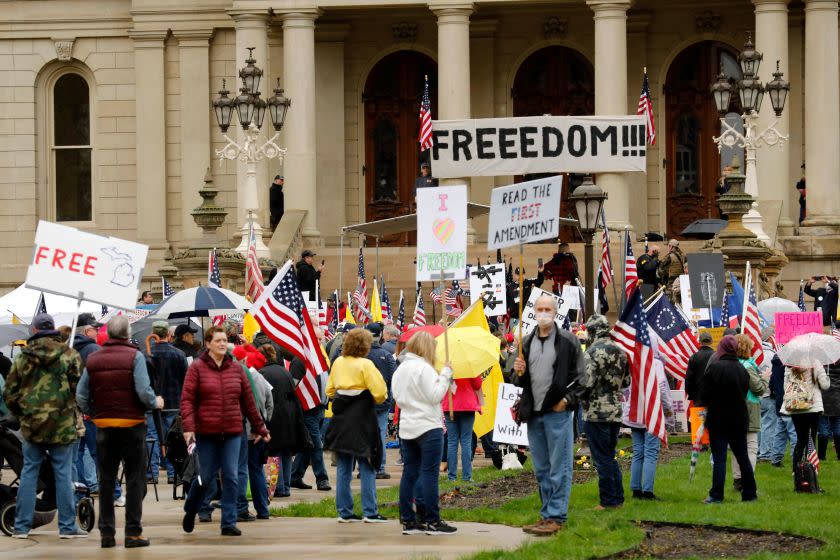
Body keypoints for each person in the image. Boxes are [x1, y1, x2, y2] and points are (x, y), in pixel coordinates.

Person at [76, 315, 163, 549]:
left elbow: (81, 396)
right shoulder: (134, 357)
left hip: (104, 427)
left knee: (106, 481)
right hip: (132, 426)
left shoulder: (93, 359)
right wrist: (156, 402)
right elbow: (144, 392)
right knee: (135, 480)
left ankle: (107, 534)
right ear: (127, 334)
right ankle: (133, 533)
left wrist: (94, 413)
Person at [2, 313, 88, 539]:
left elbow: (10, 394)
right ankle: (67, 526)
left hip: (32, 425)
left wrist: (22, 413)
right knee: (62, 474)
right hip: (62, 423)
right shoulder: (69, 354)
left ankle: (21, 526)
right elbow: (78, 389)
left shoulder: (23, 358)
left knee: (29, 473)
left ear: (34, 330)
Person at [181, 326, 270, 537]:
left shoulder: (237, 369)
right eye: (218, 340)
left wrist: (260, 428)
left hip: (233, 431)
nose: (222, 343)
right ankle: (191, 508)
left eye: (224, 340)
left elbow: (249, 402)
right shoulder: (197, 368)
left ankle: (228, 522)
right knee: (205, 476)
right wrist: (189, 428)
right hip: (206, 432)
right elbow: (187, 400)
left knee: (231, 476)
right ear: (208, 343)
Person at [512, 294, 585, 536]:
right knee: (542, 468)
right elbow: (517, 381)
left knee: (560, 467)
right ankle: (546, 515)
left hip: (557, 413)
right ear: (534, 311)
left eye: (547, 309)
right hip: (534, 414)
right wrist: (518, 372)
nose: (543, 312)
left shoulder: (568, 341)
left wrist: (566, 401)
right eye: (539, 308)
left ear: (555, 313)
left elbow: (583, 380)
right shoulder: (527, 341)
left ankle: (556, 515)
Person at [392, 331, 457, 535]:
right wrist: (445, 375)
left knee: (409, 473)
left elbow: (398, 398)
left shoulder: (400, 369)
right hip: (428, 425)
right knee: (429, 474)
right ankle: (432, 519)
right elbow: (435, 396)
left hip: (407, 425)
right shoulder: (424, 368)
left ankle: (408, 519)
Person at [323, 328, 388, 523]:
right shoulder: (366, 364)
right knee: (367, 465)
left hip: (341, 419)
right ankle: (370, 511)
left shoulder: (338, 363)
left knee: (343, 467)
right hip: (362, 419)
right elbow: (380, 393)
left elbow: (330, 390)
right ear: (365, 345)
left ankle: (344, 511)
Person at [579, 315, 630, 510]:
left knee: (601, 458)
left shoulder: (591, 353)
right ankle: (618, 498)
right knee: (610, 455)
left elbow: (587, 384)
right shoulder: (622, 352)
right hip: (615, 410)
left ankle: (608, 501)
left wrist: (581, 399)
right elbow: (626, 383)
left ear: (591, 332)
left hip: (596, 411)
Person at [700, 335, 757, 503]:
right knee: (743, 457)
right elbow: (745, 392)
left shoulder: (714, 368)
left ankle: (717, 495)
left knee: (719, 459)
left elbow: (704, 396)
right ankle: (750, 493)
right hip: (739, 419)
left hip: (718, 420)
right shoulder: (742, 370)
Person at [258, 344, 310, 498]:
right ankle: (285, 486)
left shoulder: (262, 373)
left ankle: (278, 487)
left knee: (273, 453)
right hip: (290, 415)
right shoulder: (285, 372)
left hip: (273, 416)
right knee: (286, 453)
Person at [231, 344, 273, 521]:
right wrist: (263, 424)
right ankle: (263, 509)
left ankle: (239, 507)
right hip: (257, 430)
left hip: (240, 430)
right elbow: (270, 404)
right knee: (255, 470)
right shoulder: (260, 379)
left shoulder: (233, 376)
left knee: (237, 471)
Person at [625, 348, 673, 500]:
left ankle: (636, 489)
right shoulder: (656, 363)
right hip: (650, 413)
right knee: (651, 453)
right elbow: (662, 388)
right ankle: (647, 491)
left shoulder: (632, 361)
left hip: (634, 413)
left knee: (638, 452)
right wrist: (668, 409)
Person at [146, 320, 189, 484]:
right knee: (174, 438)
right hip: (173, 403)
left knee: (152, 437)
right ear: (169, 335)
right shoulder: (178, 354)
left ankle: (152, 474)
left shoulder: (146, 353)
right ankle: (174, 474)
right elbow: (186, 380)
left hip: (152, 402)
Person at [71, 314, 104, 497]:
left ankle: (82, 491)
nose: (98, 332)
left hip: (74, 411)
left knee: (77, 455)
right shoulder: (94, 349)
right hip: (91, 409)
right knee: (99, 452)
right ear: (86, 331)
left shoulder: (67, 349)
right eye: (95, 329)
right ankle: (112, 491)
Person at [731, 334, 768, 491]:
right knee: (751, 446)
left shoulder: (730, 364)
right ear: (746, 348)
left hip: (733, 407)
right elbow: (758, 389)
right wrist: (765, 378)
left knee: (736, 446)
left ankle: (738, 479)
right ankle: (748, 478)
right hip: (749, 408)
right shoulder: (747, 366)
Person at [780, 361, 830, 471]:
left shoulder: (789, 364)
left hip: (796, 407)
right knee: (811, 439)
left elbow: (786, 387)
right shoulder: (815, 362)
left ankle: (796, 472)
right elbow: (825, 385)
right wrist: (826, 377)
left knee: (801, 440)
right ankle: (810, 473)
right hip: (812, 406)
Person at [364, 322, 397, 479]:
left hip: (365, 402)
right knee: (380, 434)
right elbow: (393, 378)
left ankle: (366, 466)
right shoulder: (387, 356)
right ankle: (380, 467)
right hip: (382, 401)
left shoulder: (362, 356)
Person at [441, 366, 482, 484]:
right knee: (466, 441)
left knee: (452, 442)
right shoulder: (470, 364)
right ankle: (467, 476)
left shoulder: (445, 366)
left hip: (450, 406)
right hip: (467, 405)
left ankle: (452, 477)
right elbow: (477, 385)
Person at [769, 351, 797, 467]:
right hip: (791, 401)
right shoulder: (791, 364)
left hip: (779, 401)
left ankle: (775, 458)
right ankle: (797, 458)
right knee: (794, 432)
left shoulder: (775, 362)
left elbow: (771, 383)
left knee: (780, 432)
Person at [757, 329, 779, 462]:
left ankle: (759, 449)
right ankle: (765, 453)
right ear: (770, 339)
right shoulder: (772, 355)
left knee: (759, 424)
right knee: (768, 424)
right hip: (768, 394)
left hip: (756, 393)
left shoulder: (755, 354)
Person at [818, 357, 840, 460]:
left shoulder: (821, 361)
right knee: (837, 427)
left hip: (823, 397)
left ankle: (822, 456)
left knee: (823, 427)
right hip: (837, 398)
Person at [685, 331, 714, 406]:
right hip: (714, 398)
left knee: (699, 418)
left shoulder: (694, 357)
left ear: (699, 342)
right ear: (711, 341)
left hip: (698, 398)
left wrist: (693, 395)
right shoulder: (717, 356)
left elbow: (688, 380)